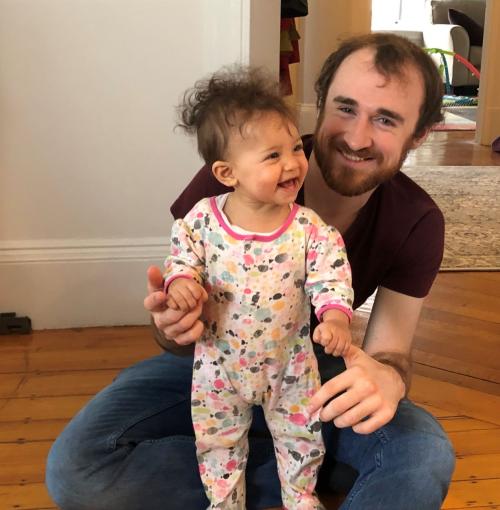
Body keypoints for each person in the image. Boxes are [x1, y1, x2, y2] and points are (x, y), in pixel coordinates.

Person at [46, 33, 456, 510]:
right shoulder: (235, 171)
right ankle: (285, 476)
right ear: (320, 105)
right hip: (210, 366)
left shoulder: (416, 219)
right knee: (77, 466)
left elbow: (389, 350)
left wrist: (389, 378)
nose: (357, 137)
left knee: (423, 453)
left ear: (419, 135)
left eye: (385, 119)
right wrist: (174, 325)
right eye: (345, 108)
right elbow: (174, 323)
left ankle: (283, 468)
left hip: (306, 372)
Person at [165, 65, 354, 509]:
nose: (292, 162)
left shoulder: (308, 229)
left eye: (294, 147)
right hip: (219, 363)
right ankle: (225, 500)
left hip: (290, 363)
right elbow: (182, 258)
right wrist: (182, 285)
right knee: (217, 439)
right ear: (228, 173)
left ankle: (299, 496)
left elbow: (331, 274)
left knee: (302, 435)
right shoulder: (202, 220)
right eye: (272, 156)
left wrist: (334, 316)